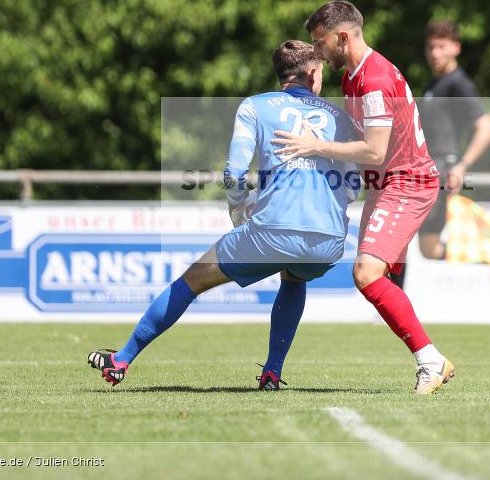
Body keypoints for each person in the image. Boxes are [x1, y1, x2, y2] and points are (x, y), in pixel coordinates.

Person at [88, 40, 358, 390]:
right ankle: (272, 373)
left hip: (272, 232)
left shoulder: (255, 106)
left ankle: (121, 359)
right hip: (329, 241)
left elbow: (233, 172)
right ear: (312, 72)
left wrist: (238, 207)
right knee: (295, 276)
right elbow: (353, 182)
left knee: (191, 282)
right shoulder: (340, 116)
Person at [272, 0, 455, 395]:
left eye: (319, 43)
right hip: (385, 184)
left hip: (406, 184)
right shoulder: (358, 74)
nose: (315, 53)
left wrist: (313, 146)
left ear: (342, 37)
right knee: (375, 276)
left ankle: (431, 360)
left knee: (366, 274)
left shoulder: (371, 80)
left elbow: (373, 150)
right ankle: (430, 359)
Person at [415, 20, 490, 297]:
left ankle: (384, 305)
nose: (435, 53)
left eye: (441, 46)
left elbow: (487, 127)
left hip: (442, 168)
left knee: (403, 230)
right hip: (431, 167)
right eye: (431, 47)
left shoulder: (457, 84)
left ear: (456, 48)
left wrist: (461, 165)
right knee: (428, 248)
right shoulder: (436, 83)